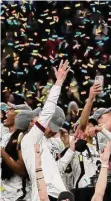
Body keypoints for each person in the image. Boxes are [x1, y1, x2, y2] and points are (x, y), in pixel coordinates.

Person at [21, 60, 71, 201]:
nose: (50, 129)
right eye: (39, 116)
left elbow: (56, 168)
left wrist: (70, 149)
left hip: (58, 195)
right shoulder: (30, 140)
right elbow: (48, 111)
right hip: (45, 195)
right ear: (32, 122)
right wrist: (58, 83)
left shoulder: (43, 142)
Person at [1, 108, 39, 201]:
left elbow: (22, 171)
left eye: (11, 110)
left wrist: (2, 152)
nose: (6, 111)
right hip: (4, 192)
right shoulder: (6, 136)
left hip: (17, 195)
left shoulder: (22, 138)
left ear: (17, 117)